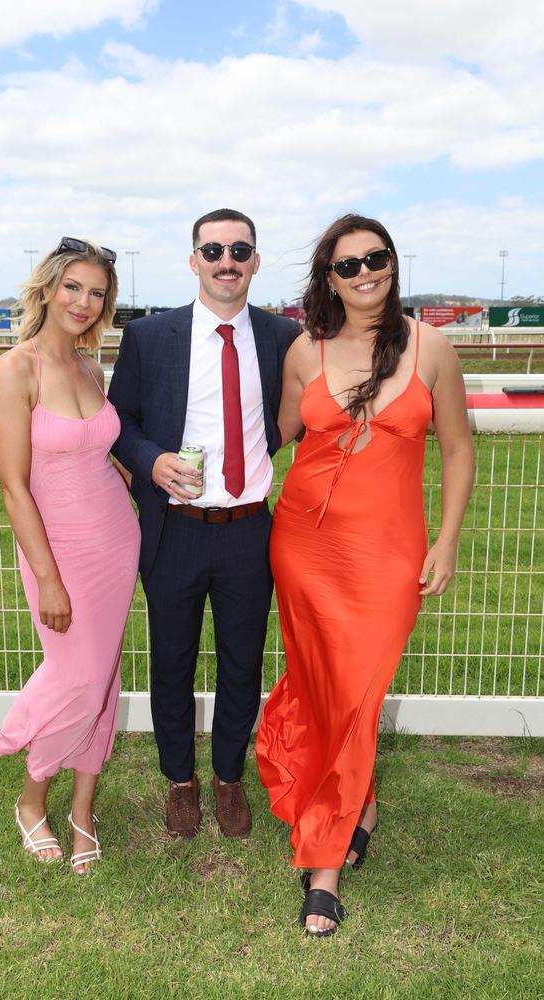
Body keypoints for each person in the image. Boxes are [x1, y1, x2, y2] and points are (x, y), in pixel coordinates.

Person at [256, 214, 474, 936]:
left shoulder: (431, 347)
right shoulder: (303, 351)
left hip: (388, 554)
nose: (365, 273)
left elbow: (458, 451)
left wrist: (444, 541)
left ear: (392, 263)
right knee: (330, 691)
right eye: (348, 265)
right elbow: (276, 437)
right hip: (304, 547)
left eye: (375, 259)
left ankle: (324, 860)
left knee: (358, 688)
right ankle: (345, 828)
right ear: (329, 278)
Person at [109, 209, 299, 839]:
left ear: (255, 260)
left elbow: (289, 420)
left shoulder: (281, 338)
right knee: (173, 662)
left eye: (240, 250)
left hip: (249, 528)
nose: (227, 261)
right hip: (175, 529)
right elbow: (121, 424)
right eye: (213, 250)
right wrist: (152, 460)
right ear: (193, 260)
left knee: (243, 663)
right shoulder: (152, 338)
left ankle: (227, 777)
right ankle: (180, 783)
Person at [0, 237, 140, 873]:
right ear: (48, 288)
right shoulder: (14, 370)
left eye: (98, 292)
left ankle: (82, 811)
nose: (84, 301)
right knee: (76, 676)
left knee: (101, 681)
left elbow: (90, 449)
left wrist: (134, 475)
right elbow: (14, 485)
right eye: (73, 287)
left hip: (115, 539)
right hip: (58, 551)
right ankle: (30, 798)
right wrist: (48, 579)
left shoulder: (89, 367)